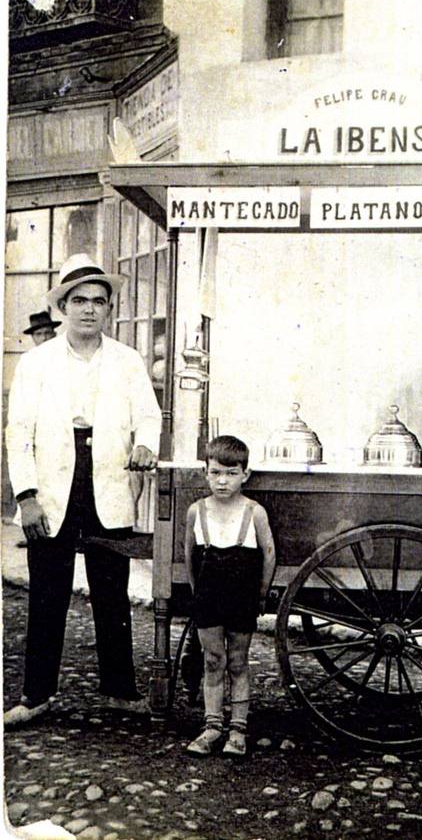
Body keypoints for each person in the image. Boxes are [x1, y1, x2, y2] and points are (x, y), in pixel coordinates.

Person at [4, 253, 162, 728]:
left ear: (109, 309)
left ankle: (119, 690)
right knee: (48, 592)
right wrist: (27, 496)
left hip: (107, 477)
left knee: (110, 591)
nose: (89, 309)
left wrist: (145, 445)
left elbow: (149, 417)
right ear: (63, 307)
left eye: (99, 301)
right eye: (79, 300)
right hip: (53, 481)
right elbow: (19, 430)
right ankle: (36, 696)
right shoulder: (36, 363)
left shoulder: (127, 361)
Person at [184, 435, 276, 757]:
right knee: (213, 661)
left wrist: (261, 595)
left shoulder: (255, 513)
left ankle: (237, 730)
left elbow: (268, 554)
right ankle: (211, 727)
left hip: (241, 595)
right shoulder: (197, 512)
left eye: (231, 473)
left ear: (245, 475)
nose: (222, 481)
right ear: (205, 472)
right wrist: (198, 597)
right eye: (215, 473)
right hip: (209, 595)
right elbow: (189, 556)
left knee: (237, 661)